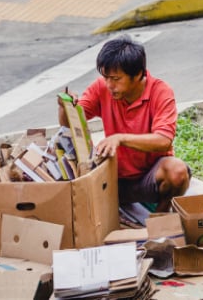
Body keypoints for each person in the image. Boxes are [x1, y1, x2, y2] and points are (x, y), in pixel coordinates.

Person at [57, 35, 191, 213]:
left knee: (178, 171)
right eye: (106, 77)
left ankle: (160, 214)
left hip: (149, 179)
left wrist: (120, 138)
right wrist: (64, 107)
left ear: (137, 75)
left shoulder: (161, 91)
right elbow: (70, 124)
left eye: (116, 79)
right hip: (113, 179)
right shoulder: (102, 87)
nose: (109, 84)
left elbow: (163, 140)